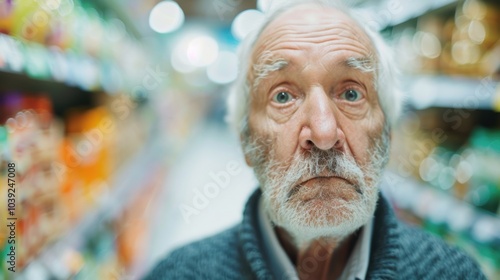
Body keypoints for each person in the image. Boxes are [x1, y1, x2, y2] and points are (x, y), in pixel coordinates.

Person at [146, 0, 486, 279]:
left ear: (389, 133)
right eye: (282, 97)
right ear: (245, 141)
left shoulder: (455, 273)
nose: (323, 135)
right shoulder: (176, 274)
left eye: (351, 93)